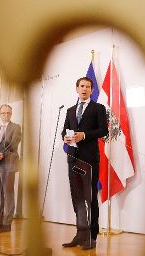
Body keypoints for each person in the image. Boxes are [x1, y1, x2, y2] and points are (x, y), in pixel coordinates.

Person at [61, 76, 108, 250]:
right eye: (82, 86)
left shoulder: (98, 108)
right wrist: (65, 138)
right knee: (77, 198)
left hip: (89, 160)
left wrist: (85, 135)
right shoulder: (70, 110)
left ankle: (92, 237)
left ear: (92, 90)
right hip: (73, 158)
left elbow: (103, 130)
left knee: (90, 198)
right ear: (77, 88)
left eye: (88, 87)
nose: (84, 89)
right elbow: (64, 131)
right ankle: (80, 234)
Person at [0, 104, 22, 232]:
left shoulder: (16, 127)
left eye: (8, 113)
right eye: (3, 113)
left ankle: (7, 222)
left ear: (11, 114)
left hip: (9, 165)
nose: (5, 115)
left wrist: (1, 155)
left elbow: (13, 144)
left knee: (8, 194)